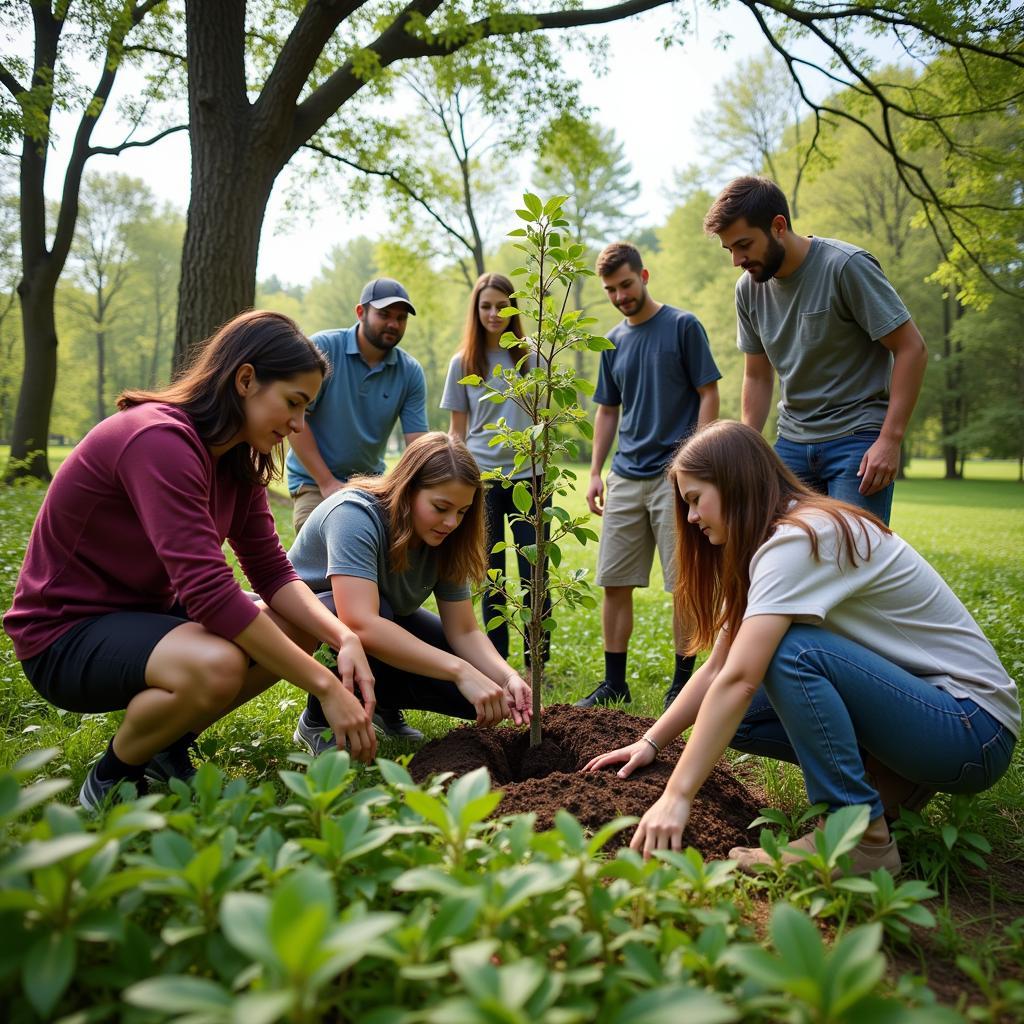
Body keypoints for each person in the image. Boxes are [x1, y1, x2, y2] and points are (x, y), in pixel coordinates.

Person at [584, 421, 1018, 873]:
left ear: (735, 483)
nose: (691, 517)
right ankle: (891, 785)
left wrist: (676, 797)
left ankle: (860, 837)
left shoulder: (801, 539)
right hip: (934, 719)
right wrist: (651, 742)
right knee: (742, 718)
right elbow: (717, 669)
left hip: (971, 729)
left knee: (791, 652)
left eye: (695, 499)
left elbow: (740, 677)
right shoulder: (770, 544)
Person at [4, 310, 380, 811]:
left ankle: (165, 744)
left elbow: (271, 572)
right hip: (63, 634)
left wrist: (343, 636)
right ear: (246, 380)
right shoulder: (157, 439)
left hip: (144, 617)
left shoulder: (237, 460)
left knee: (299, 622)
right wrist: (325, 685)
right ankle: (114, 777)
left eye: (306, 409)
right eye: (293, 403)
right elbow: (208, 592)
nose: (297, 425)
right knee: (217, 665)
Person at [288, 431, 533, 753]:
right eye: (441, 507)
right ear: (407, 490)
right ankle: (318, 722)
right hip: (304, 626)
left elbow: (464, 630)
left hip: (374, 622)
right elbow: (359, 621)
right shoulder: (354, 514)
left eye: (461, 512)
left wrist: (506, 677)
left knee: (480, 695)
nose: (451, 523)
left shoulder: (447, 539)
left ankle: (381, 705)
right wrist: (460, 671)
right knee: (375, 616)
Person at [704, 175, 928, 525]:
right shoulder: (748, 290)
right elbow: (757, 375)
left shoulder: (845, 266)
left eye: (744, 244)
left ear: (778, 226)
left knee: (850, 559)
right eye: (730, 249)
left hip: (858, 442)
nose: (737, 259)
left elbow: (911, 347)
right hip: (792, 443)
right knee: (780, 553)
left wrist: (891, 439)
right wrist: (749, 448)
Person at [578, 242, 721, 711]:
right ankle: (614, 682)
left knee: (685, 583)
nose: (620, 295)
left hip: (674, 478)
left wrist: (694, 464)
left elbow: (708, 393)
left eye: (626, 284)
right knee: (614, 582)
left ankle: (683, 683)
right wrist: (596, 471)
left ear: (644, 275)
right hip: (624, 476)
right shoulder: (612, 341)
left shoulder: (682, 326)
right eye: (611, 290)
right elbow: (607, 410)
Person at [441, 272, 551, 671]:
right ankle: (499, 660)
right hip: (482, 482)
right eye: (486, 306)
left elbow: (546, 420)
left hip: (531, 478)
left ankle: (536, 662)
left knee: (532, 571)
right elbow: (457, 431)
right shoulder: (463, 363)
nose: (494, 313)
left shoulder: (532, 359)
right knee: (490, 574)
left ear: (513, 307)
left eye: (502, 305)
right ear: (476, 310)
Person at [285, 277, 428, 535]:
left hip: (371, 484)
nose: (394, 324)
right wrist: (327, 482)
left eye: (401, 318)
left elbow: (417, 444)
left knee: (392, 547)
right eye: (384, 314)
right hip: (313, 482)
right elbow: (295, 419)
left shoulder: (410, 372)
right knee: (325, 547)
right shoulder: (323, 349)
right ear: (361, 312)